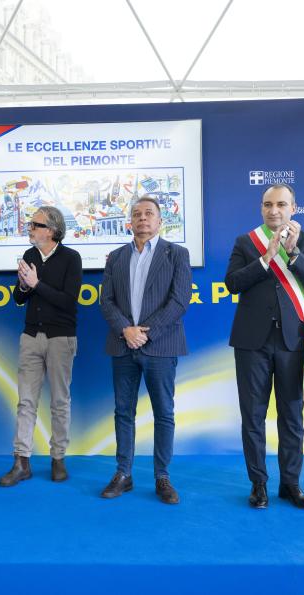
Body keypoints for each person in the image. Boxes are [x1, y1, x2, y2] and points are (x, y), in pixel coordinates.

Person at [224, 184, 304, 510]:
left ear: (293, 208)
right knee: (253, 416)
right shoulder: (246, 242)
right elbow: (232, 283)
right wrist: (266, 258)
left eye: (281, 204)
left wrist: (293, 254)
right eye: (268, 204)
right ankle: (258, 484)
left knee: (292, 417)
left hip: (293, 342)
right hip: (251, 342)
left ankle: (291, 484)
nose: (274, 210)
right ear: (261, 208)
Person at [99, 195, 191, 504]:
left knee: (163, 412)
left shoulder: (176, 254)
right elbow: (106, 301)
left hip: (161, 346)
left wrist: (145, 334)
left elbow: (179, 301)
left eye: (149, 213)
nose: (142, 218)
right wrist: (126, 330)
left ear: (160, 221)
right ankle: (123, 474)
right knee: (123, 412)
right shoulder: (116, 257)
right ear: (130, 221)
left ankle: (162, 477)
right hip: (123, 344)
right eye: (137, 214)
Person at [0, 206, 82, 487]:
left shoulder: (71, 258)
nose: (30, 228)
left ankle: (58, 458)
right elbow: (18, 299)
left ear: (52, 231)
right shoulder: (29, 255)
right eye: (31, 224)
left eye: (35, 224)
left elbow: (68, 301)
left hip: (61, 338)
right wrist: (24, 286)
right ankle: (21, 461)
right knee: (26, 402)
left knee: (60, 401)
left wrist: (36, 284)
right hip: (31, 336)